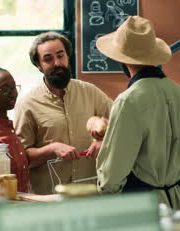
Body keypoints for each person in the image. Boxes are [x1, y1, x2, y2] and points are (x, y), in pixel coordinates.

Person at [95, 16, 180, 210]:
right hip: (176, 202)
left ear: (122, 59)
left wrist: (105, 193)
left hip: (141, 208)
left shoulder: (129, 100)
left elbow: (112, 174)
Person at [14, 32, 113, 194]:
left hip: (91, 194)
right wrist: (51, 149)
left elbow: (121, 125)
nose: (57, 63)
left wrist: (105, 142)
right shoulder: (27, 104)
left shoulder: (91, 92)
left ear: (68, 56)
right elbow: (22, 159)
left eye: (61, 56)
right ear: (39, 65)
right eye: (48, 59)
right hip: (49, 200)